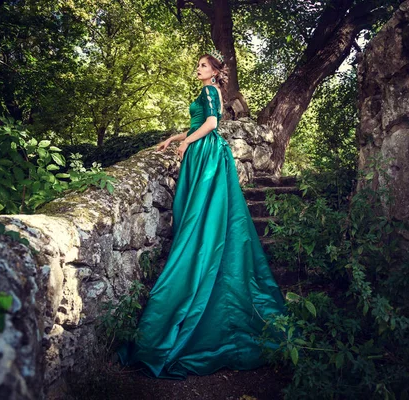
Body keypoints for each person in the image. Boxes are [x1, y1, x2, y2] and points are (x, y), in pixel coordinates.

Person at [117, 50, 286, 379]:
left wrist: (186, 144)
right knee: (198, 220)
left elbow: (210, 124)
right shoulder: (207, 92)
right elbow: (199, 123)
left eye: (203, 66)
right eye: (198, 66)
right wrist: (174, 138)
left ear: (215, 72)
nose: (198, 69)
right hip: (203, 152)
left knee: (200, 221)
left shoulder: (211, 91)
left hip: (207, 155)